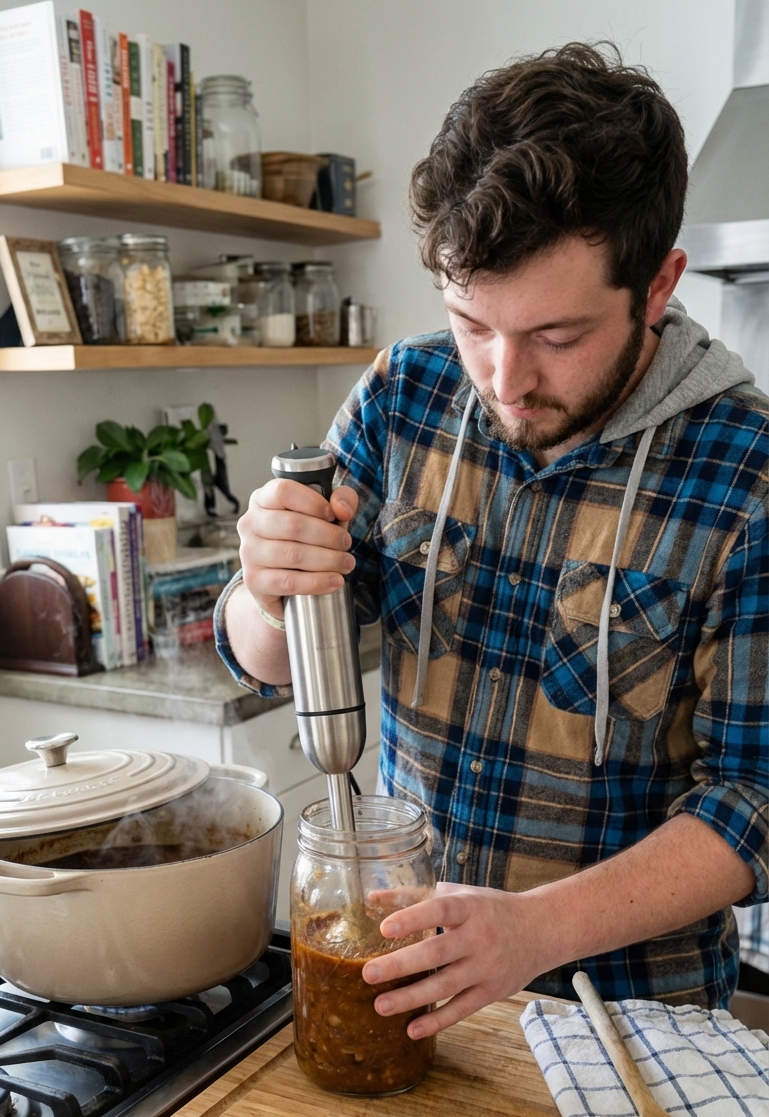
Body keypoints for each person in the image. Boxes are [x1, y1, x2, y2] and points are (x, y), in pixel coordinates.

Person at [215, 44, 768, 1039]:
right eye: (472, 322)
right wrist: (263, 589)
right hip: (416, 988)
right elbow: (261, 656)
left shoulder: (744, 474)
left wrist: (529, 933)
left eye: (556, 337)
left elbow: (753, 802)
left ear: (655, 285)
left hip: (635, 1027)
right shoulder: (403, 395)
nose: (503, 380)